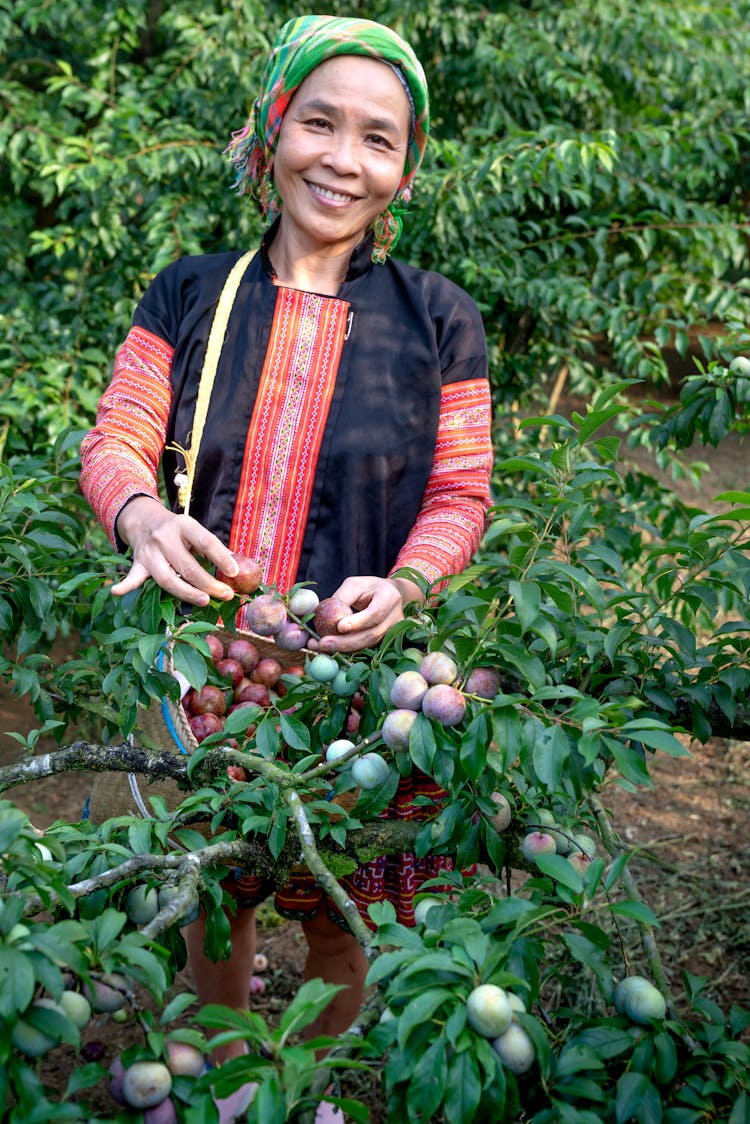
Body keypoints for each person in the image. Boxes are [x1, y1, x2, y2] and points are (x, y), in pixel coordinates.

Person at [80, 14, 493, 1122]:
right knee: (219, 882)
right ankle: (217, 1076)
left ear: (404, 169)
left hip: (356, 681)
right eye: (320, 122)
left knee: (337, 901)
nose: (343, 159)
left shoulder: (438, 318)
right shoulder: (190, 291)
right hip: (205, 671)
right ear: (272, 132)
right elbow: (118, 434)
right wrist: (137, 518)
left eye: (378, 138)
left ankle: (293, 1086)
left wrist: (403, 588)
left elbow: (460, 495)